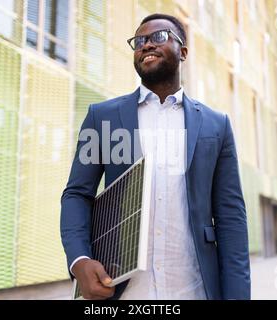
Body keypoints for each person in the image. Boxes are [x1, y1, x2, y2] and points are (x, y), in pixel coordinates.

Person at [60, 13, 250, 300]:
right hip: (122, 292)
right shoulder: (102, 118)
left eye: (158, 37)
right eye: (139, 41)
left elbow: (231, 217)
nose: (146, 45)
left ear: (183, 51)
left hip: (194, 290)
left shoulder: (216, 124)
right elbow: (77, 194)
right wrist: (79, 260)